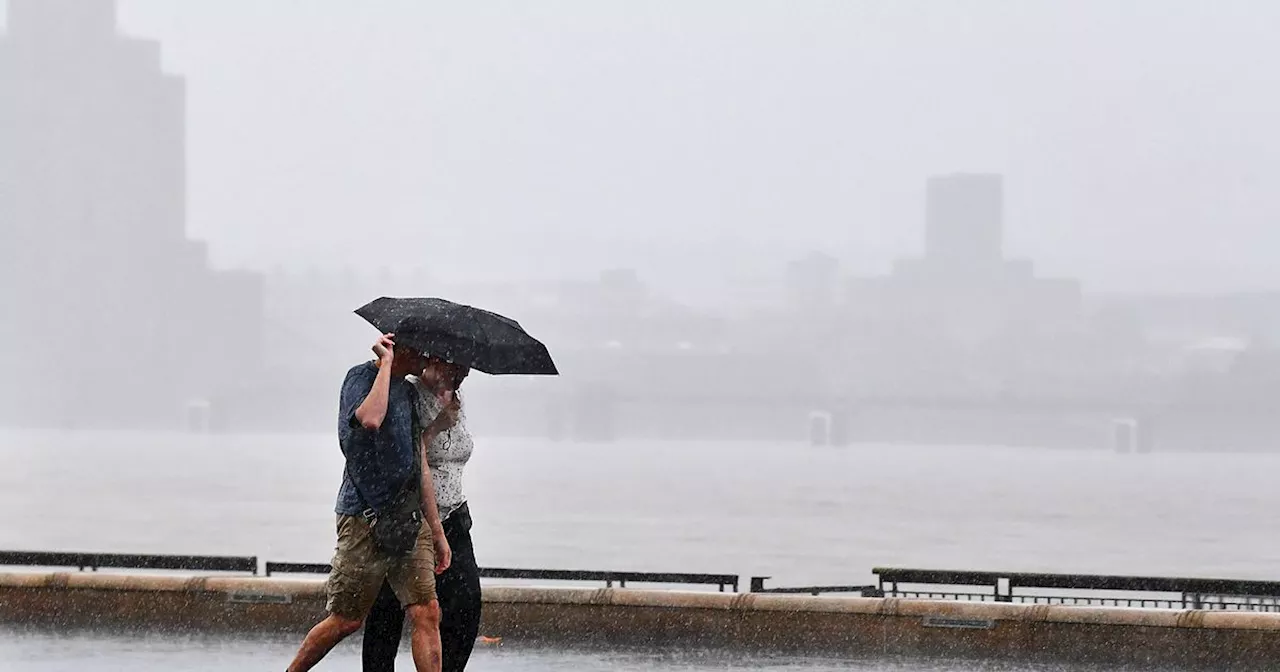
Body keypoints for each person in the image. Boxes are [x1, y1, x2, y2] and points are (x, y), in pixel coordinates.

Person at [286, 334, 451, 672]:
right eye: (422, 350)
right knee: (346, 620)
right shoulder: (359, 379)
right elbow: (371, 419)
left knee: (426, 610)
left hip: (407, 518)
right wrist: (386, 368)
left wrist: (436, 530)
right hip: (364, 519)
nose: (427, 357)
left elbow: (419, 462)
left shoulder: (407, 392)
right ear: (400, 349)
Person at [362, 356, 482, 672]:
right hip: (409, 518)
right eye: (454, 367)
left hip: (454, 515)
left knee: (465, 605)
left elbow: (456, 453)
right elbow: (404, 457)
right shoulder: (408, 393)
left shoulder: (457, 395)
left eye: (466, 368)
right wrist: (437, 425)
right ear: (433, 362)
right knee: (387, 612)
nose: (462, 374)